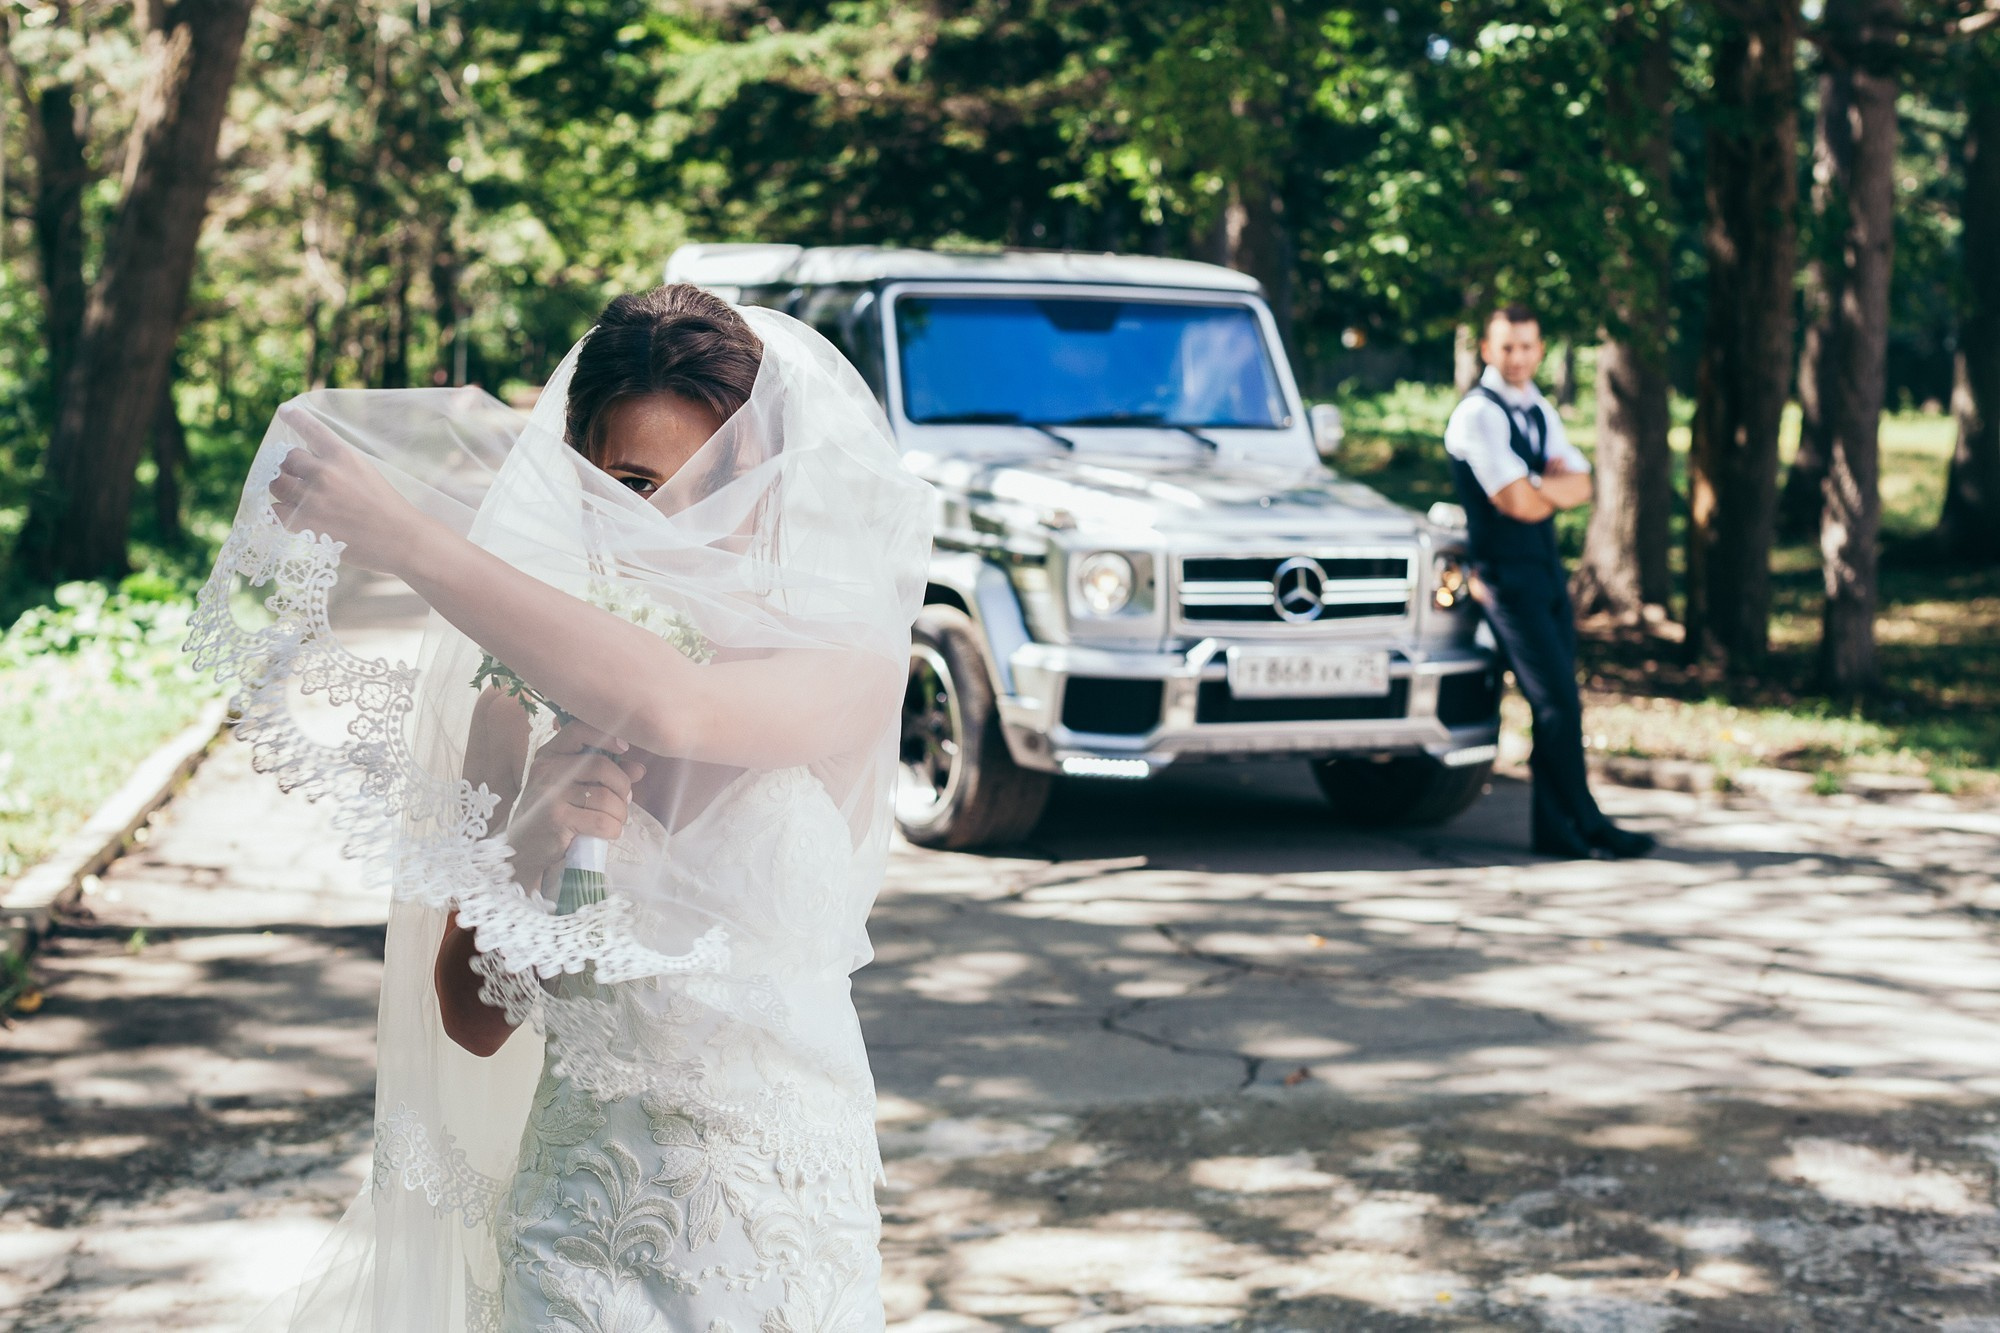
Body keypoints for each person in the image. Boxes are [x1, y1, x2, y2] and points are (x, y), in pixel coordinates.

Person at [189, 285, 934, 1331]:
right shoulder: (516, 698)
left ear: (763, 494)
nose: (666, 528)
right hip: (577, 1231)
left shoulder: (843, 663)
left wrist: (404, 537)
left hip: (779, 1226)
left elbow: (678, 705)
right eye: (629, 484)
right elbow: (467, 1016)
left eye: (706, 490)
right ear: (577, 484)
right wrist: (530, 842)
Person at [1444, 305, 1655, 861]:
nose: (1517, 357)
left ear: (1540, 349)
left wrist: (1538, 489)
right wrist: (1540, 489)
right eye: (1507, 347)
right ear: (1487, 351)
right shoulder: (1477, 416)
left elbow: (1581, 485)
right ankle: (1578, 823)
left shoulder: (1537, 408)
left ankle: (1564, 826)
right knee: (1555, 702)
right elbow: (1514, 501)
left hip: (1544, 573)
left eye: (1527, 346)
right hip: (1504, 579)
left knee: (1563, 704)